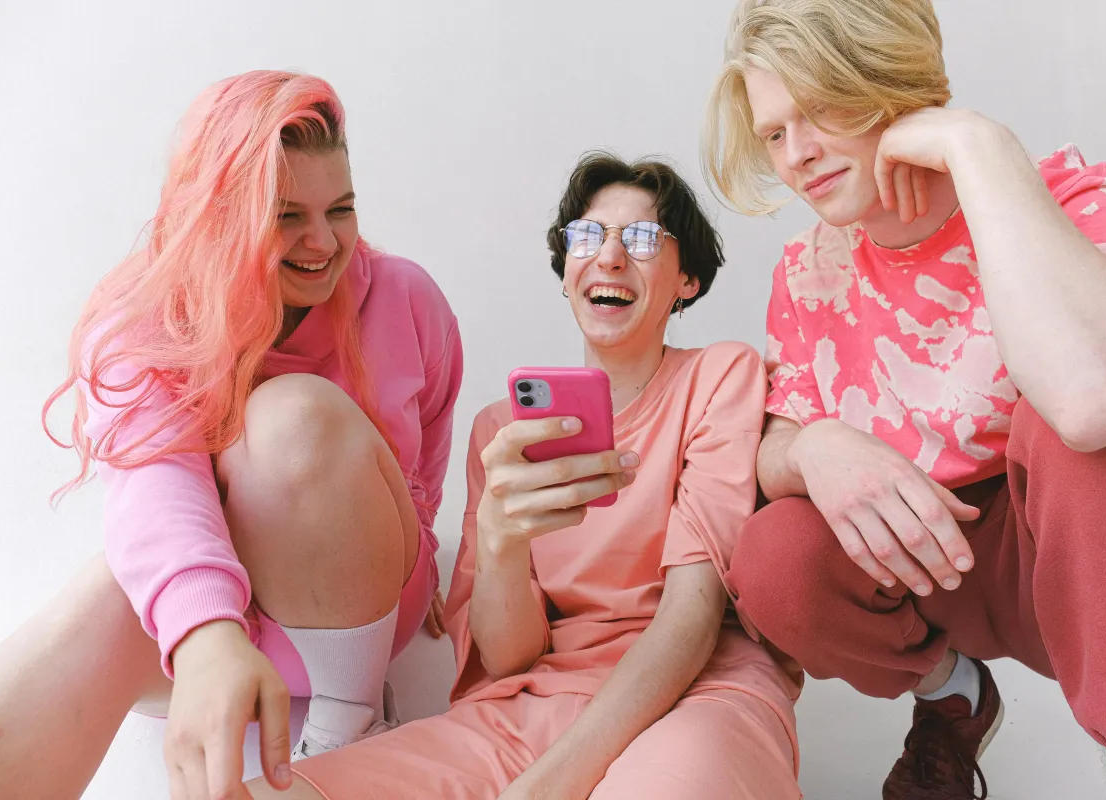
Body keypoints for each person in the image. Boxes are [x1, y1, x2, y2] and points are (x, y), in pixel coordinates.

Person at [703, 2, 1106, 798]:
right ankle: (951, 696)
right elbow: (773, 445)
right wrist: (812, 444)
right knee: (773, 553)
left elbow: (1101, 399)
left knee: (1085, 444)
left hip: (1085, 557)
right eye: (775, 134)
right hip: (930, 559)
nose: (798, 156)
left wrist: (977, 146)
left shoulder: (1063, 193)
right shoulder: (805, 270)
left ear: (888, 78)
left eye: (820, 109)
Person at [246, 153, 804, 799]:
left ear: (687, 280)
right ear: (567, 272)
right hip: (528, 705)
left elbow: (692, 617)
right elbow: (509, 658)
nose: (611, 257)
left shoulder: (719, 376)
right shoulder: (501, 431)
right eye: (588, 236)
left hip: (698, 692)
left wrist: (548, 784)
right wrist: (501, 541)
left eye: (645, 239)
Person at [0, 71, 462, 800]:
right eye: (286, 217)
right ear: (218, 215)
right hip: (219, 626)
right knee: (99, 600)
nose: (323, 242)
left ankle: (349, 724)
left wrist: (418, 539)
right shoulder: (143, 317)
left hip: (357, 604)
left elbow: (427, 444)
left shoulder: (405, 297)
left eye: (341, 210)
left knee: (292, 418)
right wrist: (206, 633)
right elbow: (155, 480)